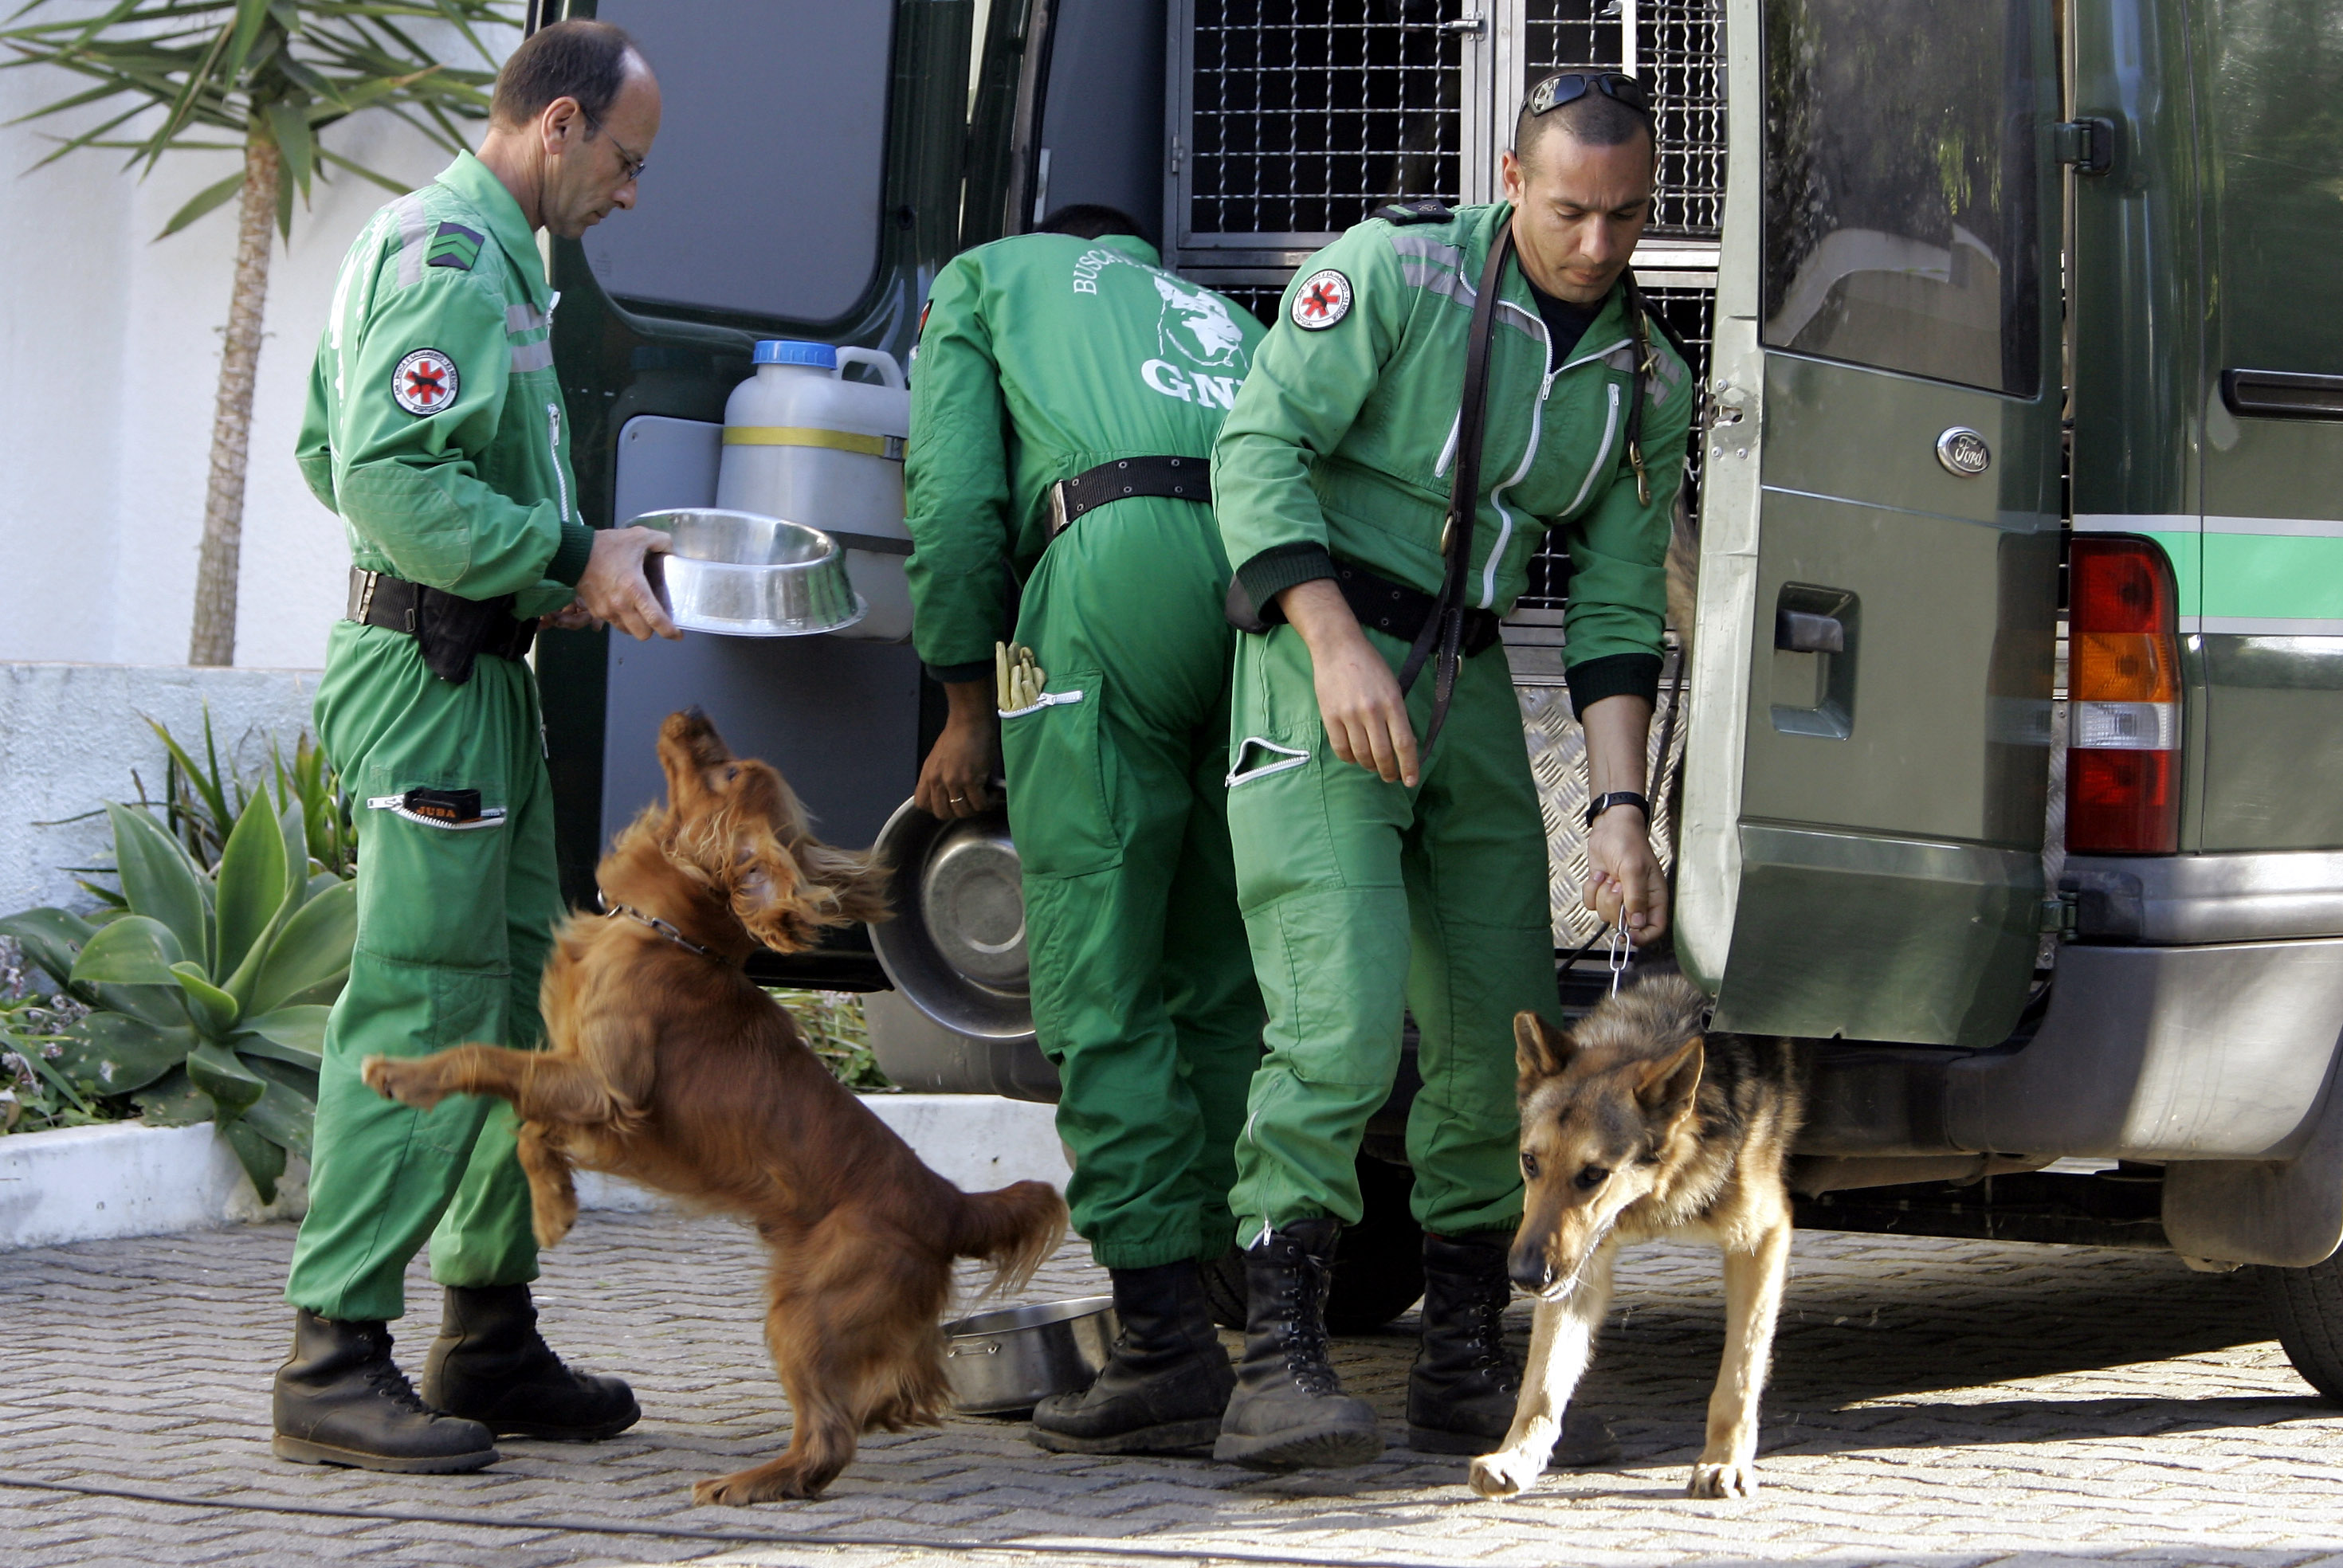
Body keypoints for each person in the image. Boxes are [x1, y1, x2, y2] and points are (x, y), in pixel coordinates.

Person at [1206, 73, 1693, 1471]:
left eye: (1626, 215)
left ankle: (1466, 1361)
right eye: (1568, 211)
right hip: (1325, 654)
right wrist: (1329, 637)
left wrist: (1617, 816)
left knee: (1502, 1037)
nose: (1597, 244)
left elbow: (1609, 604)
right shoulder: (1394, 272)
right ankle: (1278, 1362)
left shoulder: (1647, 375)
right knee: (1343, 1022)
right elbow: (1258, 448)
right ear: (1510, 176)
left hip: (1469, 670)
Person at [275, 19, 679, 1474]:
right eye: (627, 162)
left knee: (520, 1006)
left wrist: (548, 562)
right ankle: (332, 1354)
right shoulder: (448, 251)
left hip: (480, 672)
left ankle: (487, 1337)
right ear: (559, 127)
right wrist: (563, 555)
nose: (631, 193)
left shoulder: (503, 258)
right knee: (426, 1000)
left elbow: (346, 452)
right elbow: (383, 475)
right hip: (430, 677)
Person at [905, 206, 1268, 1456]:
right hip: (1269, 593)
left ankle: (1164, 1345)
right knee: (1226, 977)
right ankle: (1250, 1312)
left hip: (1108, 578)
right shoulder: (1223, 316)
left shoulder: (985, 280)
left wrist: (963, 697)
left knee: (1098, 967)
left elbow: (950, 494)